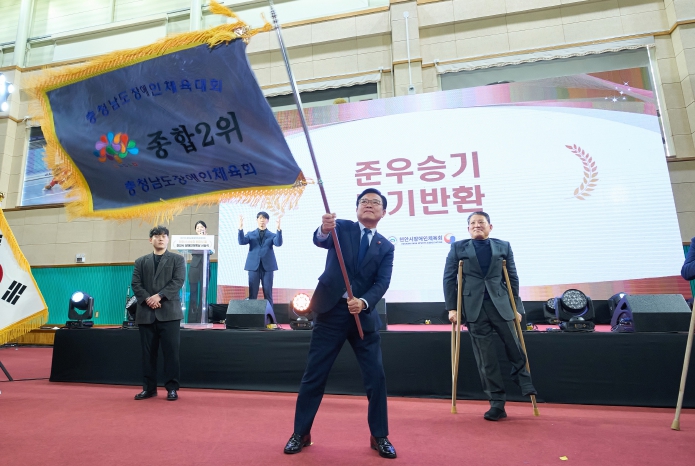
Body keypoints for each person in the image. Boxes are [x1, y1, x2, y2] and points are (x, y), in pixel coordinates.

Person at [284, 188, 397, 459]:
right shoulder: (341, 228)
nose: (369, 205)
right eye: (364, 201)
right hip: (330, 312)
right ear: (357, 208)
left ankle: (379, 436)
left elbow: (382, 283)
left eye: (375, 203)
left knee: (376, 378)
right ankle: (301, 433)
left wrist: (364, 302)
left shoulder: (386, 246)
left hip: (362, 318)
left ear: (383, 212)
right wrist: (324, 229)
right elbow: (320, 239)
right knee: (315, 374)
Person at [443, 211, 536, 421]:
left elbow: (512, 277)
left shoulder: (503, 246)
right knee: (486, 359)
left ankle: (523, 380)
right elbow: (449, 278)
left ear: (490, 227)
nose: (477, 225)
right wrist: (452, 308)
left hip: (501, 304)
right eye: (473, 223)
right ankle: (497, 403)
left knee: (514, 345)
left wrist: (517, 307)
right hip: (473, 308)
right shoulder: (458, 248)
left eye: (481, 222)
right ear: (468, 228)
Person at [131, 225, 186, 401]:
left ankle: (172, 389)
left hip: (169, 314)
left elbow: (178, 281)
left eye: (164, 236)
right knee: (148, 355)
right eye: (157, 236)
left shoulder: (177, 259)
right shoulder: (140, 261)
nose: (161, 238)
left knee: (171, 354)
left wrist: (159, 296)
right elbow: (136, 284)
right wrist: (148, 299)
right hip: (146, 314)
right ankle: (149, 389)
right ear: (150, 240)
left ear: (168, 239)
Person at [238, 212, 282, 307]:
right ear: (257, 220)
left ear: (267, 221)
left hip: (268, 268)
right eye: (260, 218)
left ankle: (270, 315)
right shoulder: (250, 234)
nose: (262, 220)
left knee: (268, 294)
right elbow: (241, 242)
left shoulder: (272, 235)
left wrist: (278, 229)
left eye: (264, 218)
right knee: (253, 294)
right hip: (253, 267)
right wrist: (240, 228)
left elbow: (278, 243)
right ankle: (251, 315)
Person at [188, 220, 212, 324]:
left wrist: (205, 238)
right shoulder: (192, 240)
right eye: (197, 228)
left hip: (205, 267)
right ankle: (192, 319)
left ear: (205, 228)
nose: (199, 229)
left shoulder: (209, 239)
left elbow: (211, 250)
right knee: (193, 294)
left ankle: (202, 319)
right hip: (194, 267)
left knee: (203, 294)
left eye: (201, 227)